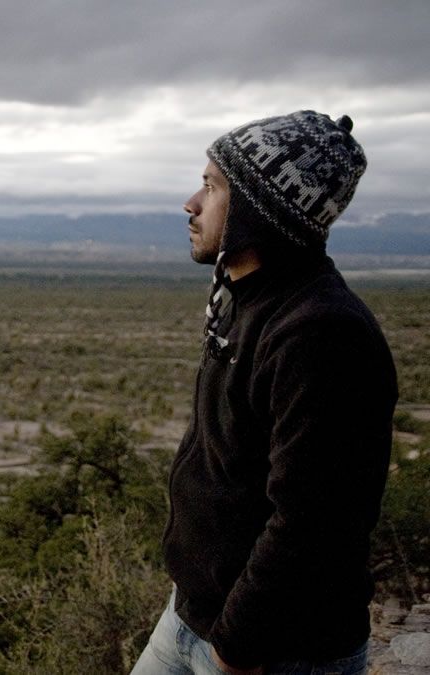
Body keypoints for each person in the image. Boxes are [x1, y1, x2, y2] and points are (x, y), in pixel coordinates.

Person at [131, 110, 397, 675]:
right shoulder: (245, 298)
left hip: (273, 648)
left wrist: (238, 648)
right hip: (193, 617)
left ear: (260, 208)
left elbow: (314, 519)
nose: (191, 204)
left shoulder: (320, 331)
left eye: (212, 187)